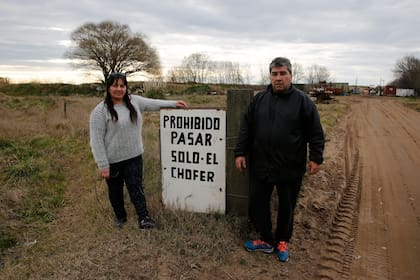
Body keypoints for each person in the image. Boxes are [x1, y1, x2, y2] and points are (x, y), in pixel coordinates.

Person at [234, 57, 325, 262]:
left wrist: (316, 158)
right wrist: (240, 153)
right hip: (260, 164)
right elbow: (246, 128)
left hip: (290, 166)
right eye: (274, 74)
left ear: (291, 75)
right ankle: (266, 240)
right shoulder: (259, 100)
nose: (278, 78)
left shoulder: (303, 102)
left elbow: (316, 132)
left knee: (287, 205)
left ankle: (283, 240)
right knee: (258, 202)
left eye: (283, 73)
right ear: (270, 76)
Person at [89, 72, 188, 229]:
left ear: (126, 87)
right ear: (108, 88)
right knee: (115, 191)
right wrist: (103, 164)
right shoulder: (99, 112)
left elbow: (154, 103)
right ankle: (120, 217)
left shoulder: (135, 102)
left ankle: (144, 217)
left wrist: (174, 103)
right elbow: (96, 141)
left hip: (134, 156)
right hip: (113, 160)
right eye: (115, 85)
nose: (119, 89)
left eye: (122, 85)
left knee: (136, 188)